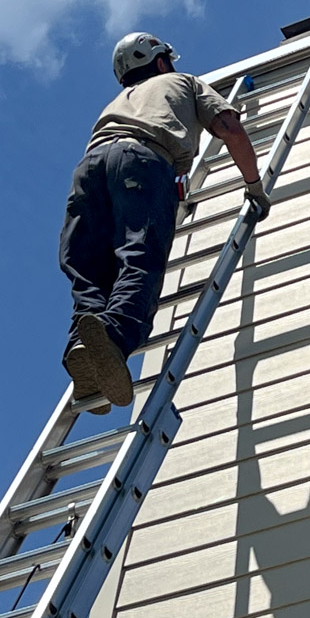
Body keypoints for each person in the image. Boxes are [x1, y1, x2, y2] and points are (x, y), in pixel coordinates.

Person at [59, 32, 270, 407]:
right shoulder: (184, 82)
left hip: (89, 168)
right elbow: (230, 130)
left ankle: (84, 346)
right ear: (160, 62)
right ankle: (113, 338)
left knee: (89, 268)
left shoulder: (118, 101)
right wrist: (254, 186)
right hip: (142, 159)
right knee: (141, 255)